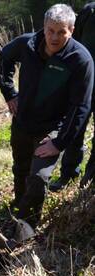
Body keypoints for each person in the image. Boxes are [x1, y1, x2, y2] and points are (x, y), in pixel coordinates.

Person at [0, 4, 93, 239]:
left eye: (62, 32)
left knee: (39, 178)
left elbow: (80, 107)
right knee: (20, 169)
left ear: (72, 30)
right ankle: (19, 206)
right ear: (44, 26)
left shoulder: (80, 60)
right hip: (23, 122)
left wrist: (59, 142)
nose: (54, 37)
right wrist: (10, 94)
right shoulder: (27, 44)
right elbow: (4, 59)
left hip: (51, 129)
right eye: (50, 30)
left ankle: (25, 230)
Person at [49, 1, 95, 191]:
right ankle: (68, 174)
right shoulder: (89, 11)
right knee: (75, 128)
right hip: (82, 82)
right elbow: (71, 41)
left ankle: (90, 179)